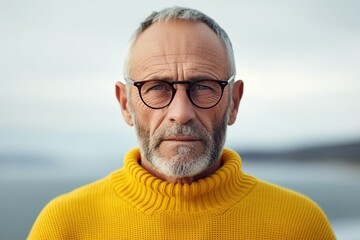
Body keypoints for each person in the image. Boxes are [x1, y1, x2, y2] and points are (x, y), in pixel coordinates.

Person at [28, 6, 336, 239]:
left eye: (202, 86)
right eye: (158, 88)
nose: (181, 112)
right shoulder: (65, 225)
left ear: (234, 102)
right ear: (125, 104)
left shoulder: (299, 224)